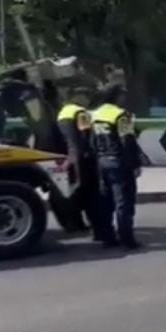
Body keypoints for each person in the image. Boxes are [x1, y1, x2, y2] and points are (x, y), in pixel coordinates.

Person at [58, 87, 116, 246]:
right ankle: (100, 232)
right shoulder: (81, 113)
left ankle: (74, 223)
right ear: (77, 96)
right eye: (85, 96)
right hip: (85, 158)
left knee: (78, 191)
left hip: (72, 158)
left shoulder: (63, 112)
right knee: (93, 196)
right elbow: (86, 136)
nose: (87, 99)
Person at [90, 85, 143, 249]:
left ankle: (108, 237)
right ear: (117, 96)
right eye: (122, 95)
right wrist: (135, 164)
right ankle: (127, 238)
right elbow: (127, 141)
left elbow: (91, 141)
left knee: (105, 201)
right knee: (124, 202)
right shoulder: (121, 115)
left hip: (102, 161)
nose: (124, 98)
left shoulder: (95, 114)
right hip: (120, 163)